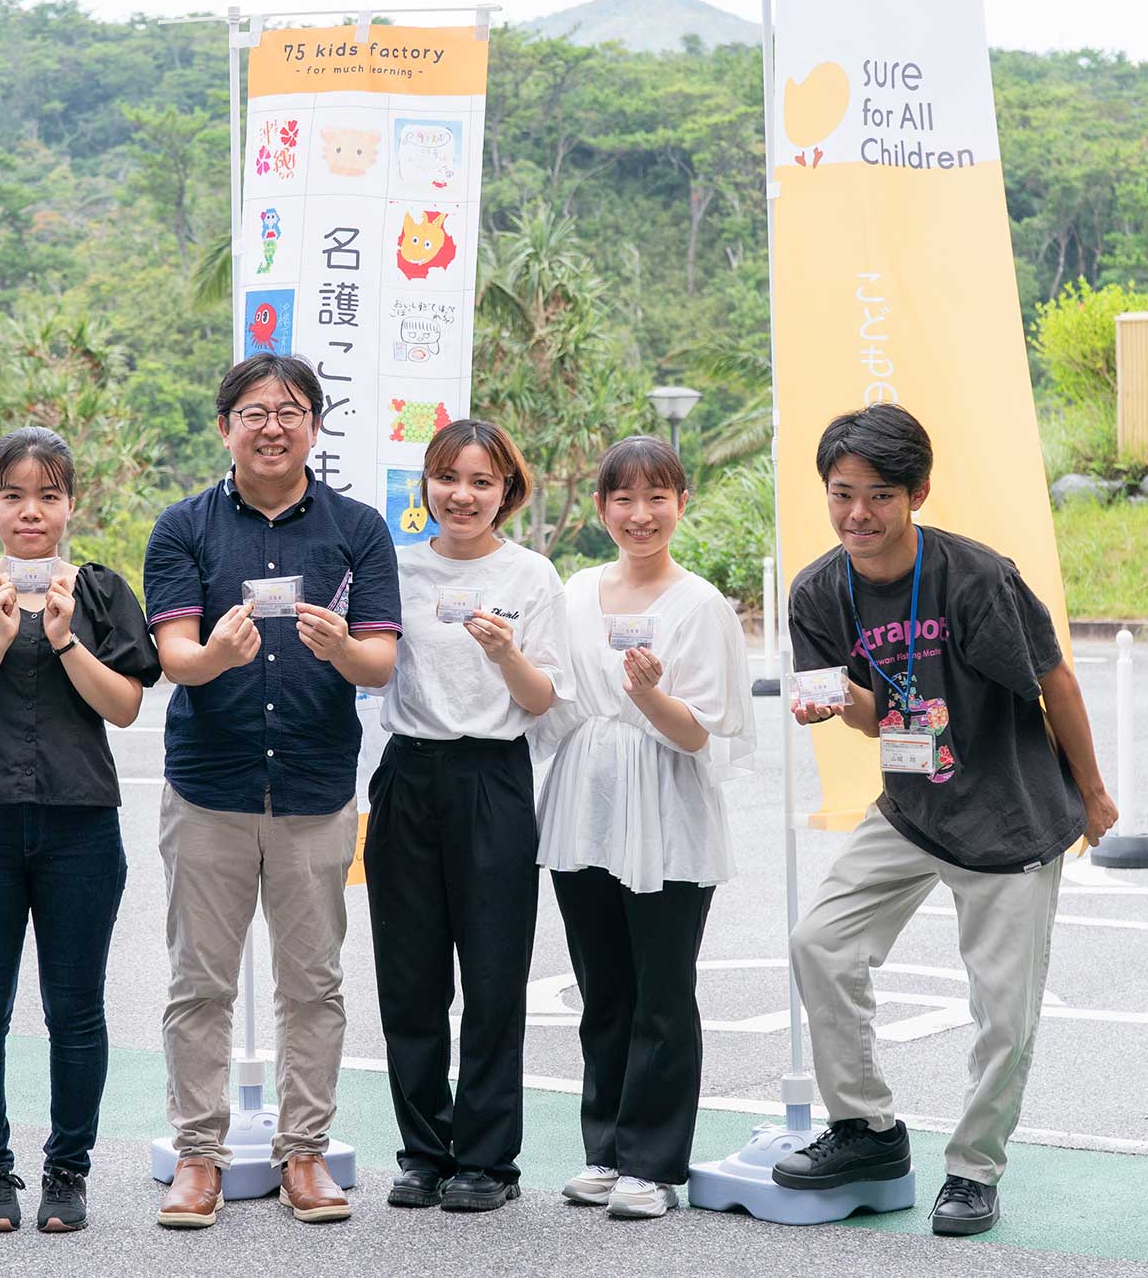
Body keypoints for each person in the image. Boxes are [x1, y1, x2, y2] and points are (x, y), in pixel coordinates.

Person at [772, 404, 1116, 1237]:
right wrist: (840, 703)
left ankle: (972, 1169)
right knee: (821, 941)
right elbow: (868, 715)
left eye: (879, 495)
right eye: (841, 492)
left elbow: (1052, 680)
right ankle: (867, 1130)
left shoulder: (974, 577)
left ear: (918, 492)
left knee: (1004, 1013)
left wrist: (1093, 791)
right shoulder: (820, 590)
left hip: (1009, 813)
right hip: (914, 805)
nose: (858, 513)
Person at [142, 352, 402, 1228]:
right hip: (209, 786)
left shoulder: (358, 529)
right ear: (225, 427)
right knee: (200, 981)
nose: (272, 426)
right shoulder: (183, 527)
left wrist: (338, 650)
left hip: (316, 787)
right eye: (253, 411)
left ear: (315, 428)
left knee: (312, 983)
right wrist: (217, 655)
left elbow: (380, 658)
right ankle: (198, 1156)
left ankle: (305, 1153)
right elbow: (176, 656)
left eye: (291, 411)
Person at [0, 428, 162, 1235]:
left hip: (81, 825)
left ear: (71, 504)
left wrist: (62, 637)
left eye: (48, 494)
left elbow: (123, 704)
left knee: (76, 1006)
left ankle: (67, 1169)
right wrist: (3, 634)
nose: (30, 511)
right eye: (13, 494)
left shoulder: (103, 591)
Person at [533, 435, 755, 1220]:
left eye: (657, 497)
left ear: (682, 503)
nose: (640, 514)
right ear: (601, 510)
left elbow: (702, 732)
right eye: (623, 499)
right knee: (603, 987)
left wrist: (651, 694)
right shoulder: (575, 591)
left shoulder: (699, 605)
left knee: (663, 987)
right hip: (584, 804)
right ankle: (605, 1149)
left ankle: (654, 1163)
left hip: (666, 808)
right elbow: (549, 700)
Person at [364, 420, 571, 1214]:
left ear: (506, 492)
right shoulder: (393, 567)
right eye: (448, 477)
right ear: (426, 484)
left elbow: (545, 698)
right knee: (409, 978)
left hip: (494, 777)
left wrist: (503, 652)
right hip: (409, 772)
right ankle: (422, 1149)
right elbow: (369, 661)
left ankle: (487, 1159)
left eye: (482, 481)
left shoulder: (531, 574)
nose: (463, 495)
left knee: (492, 977)